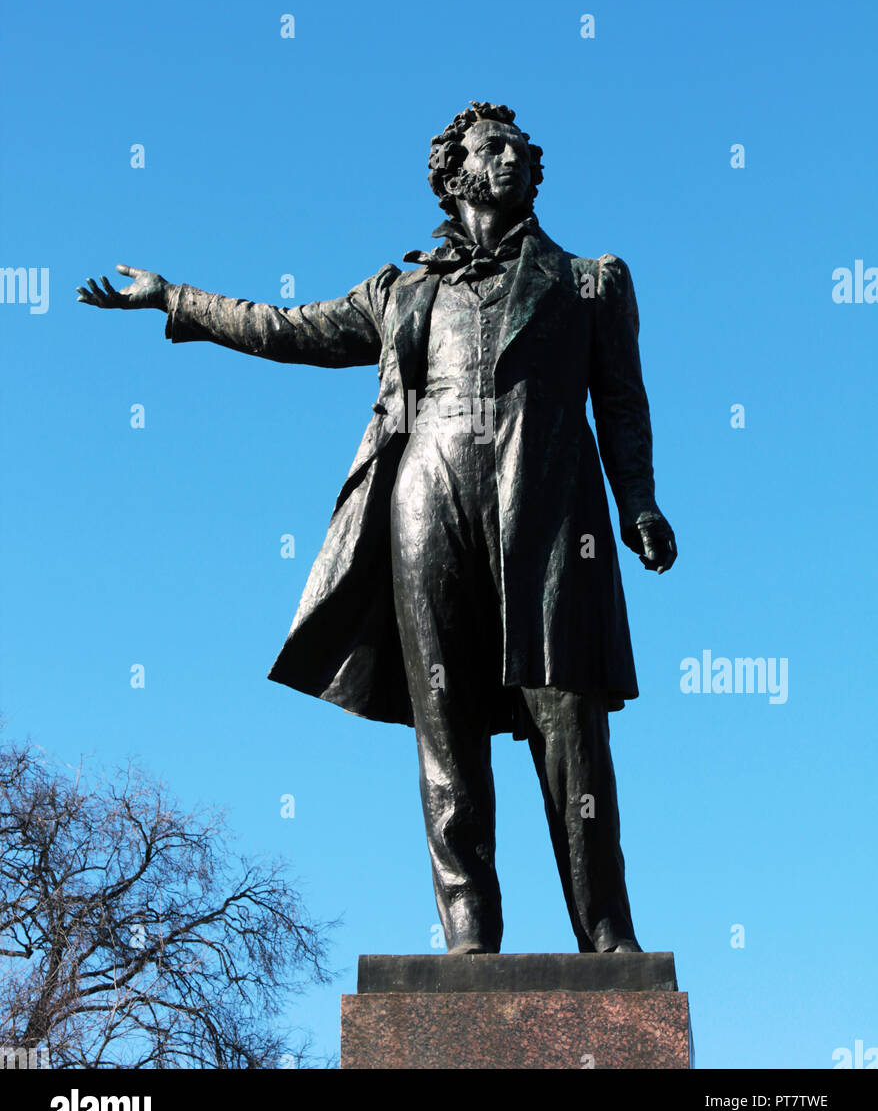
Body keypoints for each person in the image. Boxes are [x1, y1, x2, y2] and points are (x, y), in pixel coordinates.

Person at [77, 100, 676, 954]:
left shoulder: (589, 281)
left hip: (549, 518)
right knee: (446, 720)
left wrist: (639, 504)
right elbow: (288, 329)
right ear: (454, 170)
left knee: (569, 726)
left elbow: (621, 401)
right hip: (426, 505)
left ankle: (608, 936)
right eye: (491, 146)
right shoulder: (400, 290)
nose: (513, 155)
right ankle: (469, 936)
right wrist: (177, 298)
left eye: (519, 146)